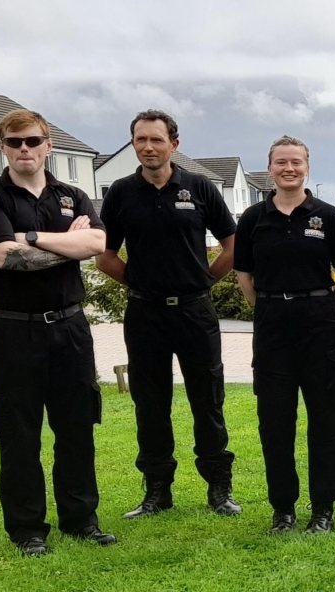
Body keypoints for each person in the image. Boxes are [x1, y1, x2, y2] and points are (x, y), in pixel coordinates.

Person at [0, 109, 114, 556]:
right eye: (14, 143)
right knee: (19, 434)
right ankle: (28, 529)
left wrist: (30, 236)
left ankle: (80, 519)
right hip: (16, 332)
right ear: (2, 149)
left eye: (32, 141)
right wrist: (63, 243)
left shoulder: (72, 194)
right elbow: (5, 259)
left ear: (48, 145)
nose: (24, 150)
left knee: (76, 429)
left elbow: (97, 245)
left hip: (70, 327)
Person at [96, 110, 241, 518]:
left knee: (208, 400)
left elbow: (233, 245)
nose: (148, 147)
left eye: (156, 140)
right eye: (140, 140)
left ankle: (219, 490)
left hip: (196, 313)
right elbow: (105, 257)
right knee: (150, 404)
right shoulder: (121, 193)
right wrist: (141, 285)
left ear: (173, 144)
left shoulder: (198, 187)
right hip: (146, 316)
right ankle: (157, 492)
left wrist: (204, 281)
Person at [234, 136, 335, 535]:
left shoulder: (329, 217)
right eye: (281, 162)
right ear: (269, 168)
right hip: (272, 327)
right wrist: (270, 307)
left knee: (324, 420)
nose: (289, 168)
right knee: (275, 422)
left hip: (319, 324)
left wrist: (324, 308)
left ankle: (323, 509)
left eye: (296, 162)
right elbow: (244, 277)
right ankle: (282, 509)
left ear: (307, 167)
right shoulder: (253, 218)